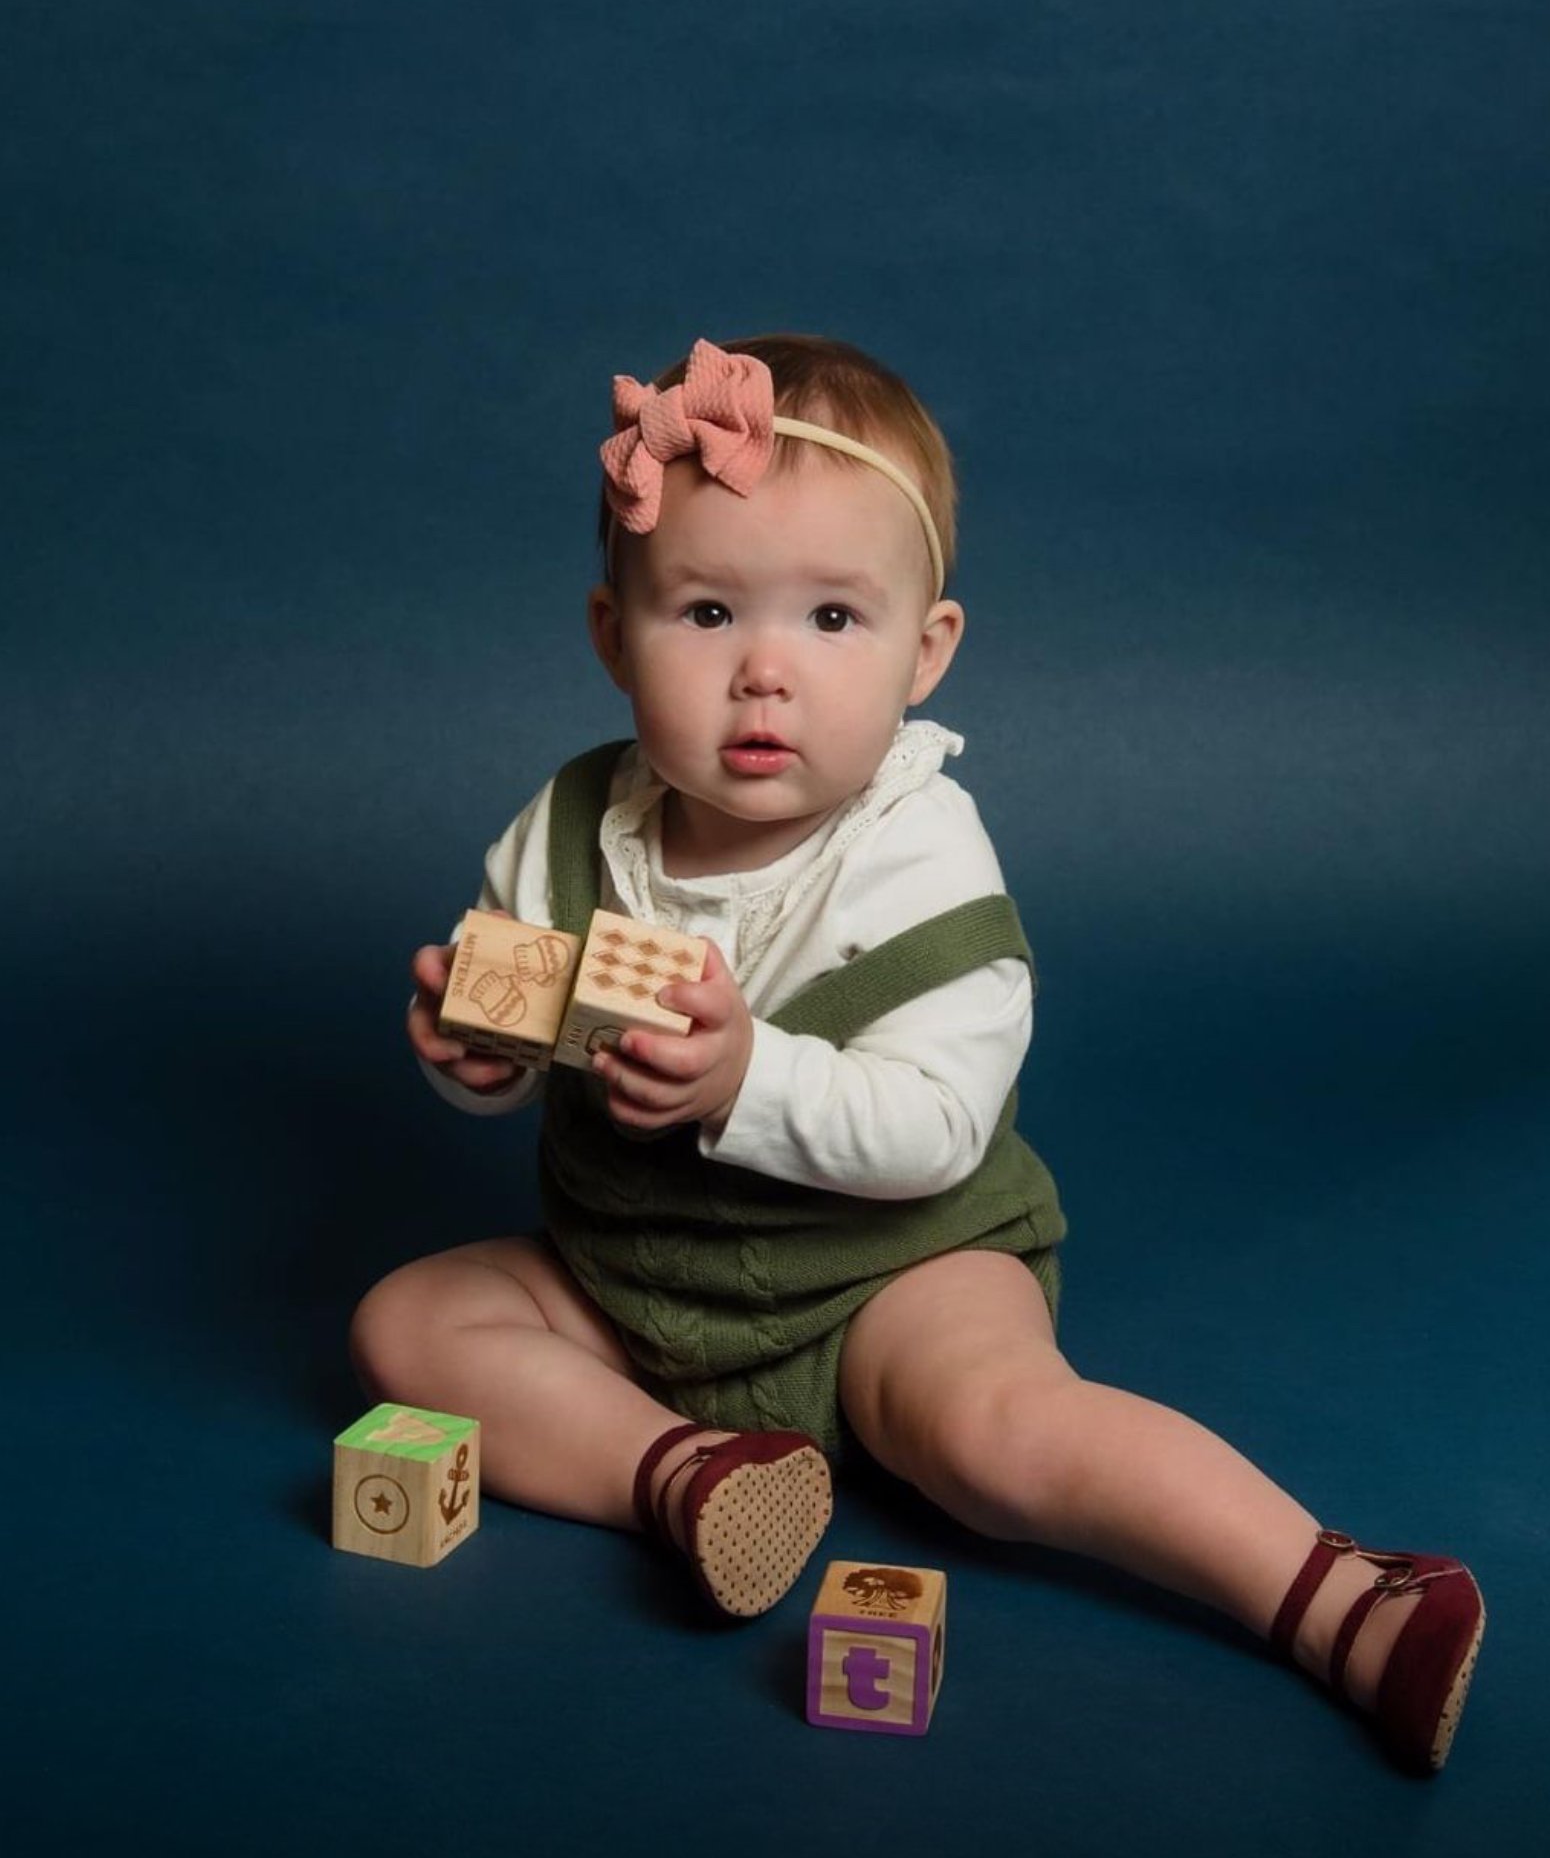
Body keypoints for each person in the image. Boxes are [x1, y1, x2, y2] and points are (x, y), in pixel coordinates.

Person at [351, 334, 1483, 1774]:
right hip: (631, 1275)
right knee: (408, 1324)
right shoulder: (566, 830)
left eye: (832, 619)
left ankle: (1341, 1596)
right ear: (607, 633)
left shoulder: (921, 857)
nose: (765, 674)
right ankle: (686, 1473)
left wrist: (742, 1077)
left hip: (889, 1272)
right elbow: (509, 1029)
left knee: (995, 1439)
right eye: (704, 612)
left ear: (922, 650)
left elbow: (938, 1125)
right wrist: (474, 1056)